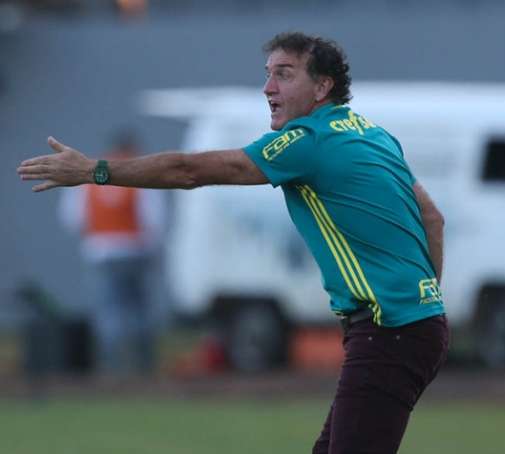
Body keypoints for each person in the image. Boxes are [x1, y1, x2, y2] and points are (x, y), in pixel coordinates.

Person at [18, 31, 448, 454]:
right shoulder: (374, 134)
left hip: (388, 329)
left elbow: (190, 171)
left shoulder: (309, 141)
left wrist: (96, 170)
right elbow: (433, 216)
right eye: (268, 74)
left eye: (284, 74)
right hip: (412, 325)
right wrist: (425, 304)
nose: (268, 87)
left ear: (322, 86)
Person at [58, 131, 165, 375]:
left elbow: (72, 219)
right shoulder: (141, 175)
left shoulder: (88, 177)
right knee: (139, 309)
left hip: (101, 252)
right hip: (135, 250)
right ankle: (143, 365)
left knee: (109, 310)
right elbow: (154, 219)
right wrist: (154, 248)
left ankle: (112, 365)